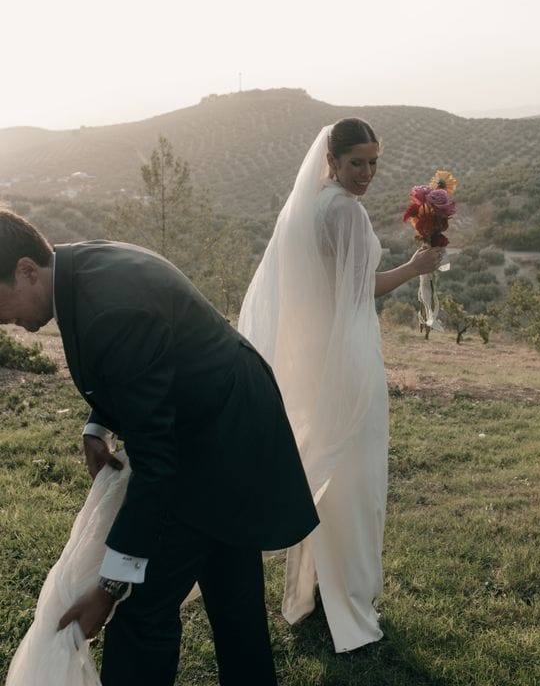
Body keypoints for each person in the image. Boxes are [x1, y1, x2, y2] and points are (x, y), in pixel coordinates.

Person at [0, 208, 319, 686]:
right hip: (229, 420)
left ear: (26, 270)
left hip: (217, 441)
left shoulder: (110, 308)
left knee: (142, 611)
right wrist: (98, 423)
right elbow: (152, 361)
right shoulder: (77, 268)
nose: (2, 321)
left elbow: (156, 465)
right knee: (233, 592)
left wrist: (110, 587)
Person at [238, 118, 445, 653]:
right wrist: (417, 265)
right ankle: (350, 603)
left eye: (374, 162)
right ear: (332, 160)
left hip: (313, 355)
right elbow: (361, 291)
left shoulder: (308, 206)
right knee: (354, 483)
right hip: (347, 356)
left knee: (328, 480)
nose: (368, 173)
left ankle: (316, 594)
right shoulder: (346, 212)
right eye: (358, 163)